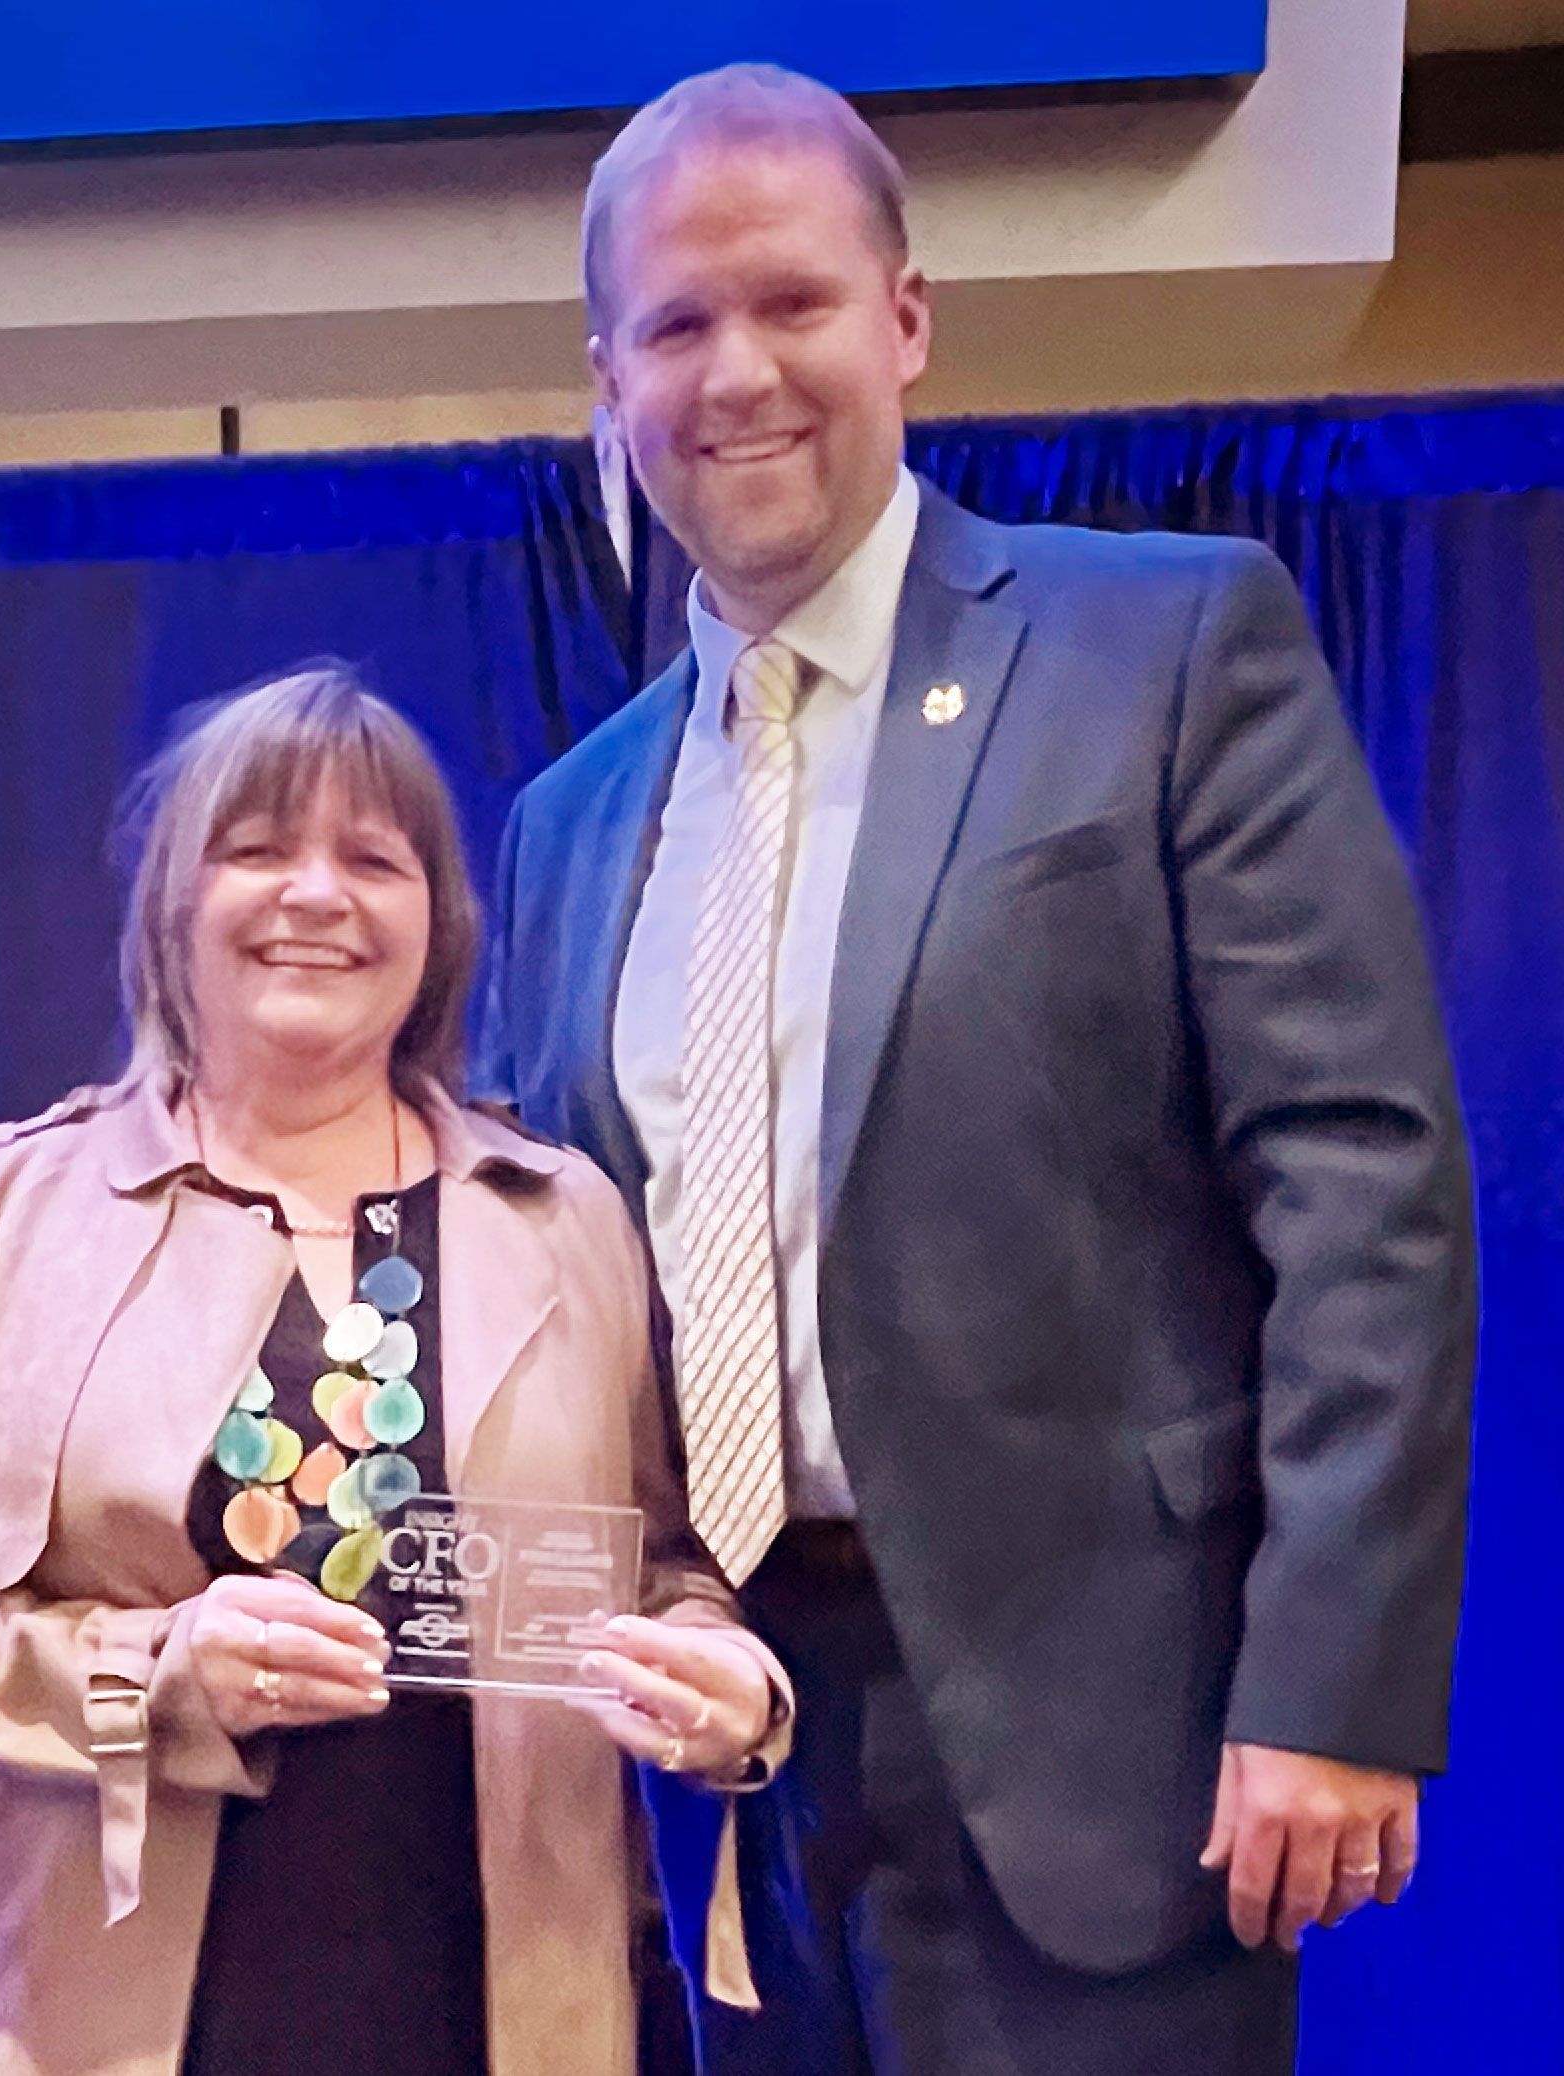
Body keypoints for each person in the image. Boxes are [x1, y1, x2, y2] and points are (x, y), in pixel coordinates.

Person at [475, 63, 1476, 2076]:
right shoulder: (569, 823)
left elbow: (1362, 1182)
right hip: (735, 1751)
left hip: (1120, 1751)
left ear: (906, 319)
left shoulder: (1170, 651)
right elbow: (546, 1290)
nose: (737, 370)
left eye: (793, 302)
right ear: (607, 378)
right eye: (675, 324)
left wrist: (1339, 1688)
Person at [0, 665, 790, 2076]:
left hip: (502, 2000)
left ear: (434, 924)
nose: (316, 894)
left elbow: (663, 1568)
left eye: (372, 860)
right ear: (172, 906)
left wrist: (726, 1683)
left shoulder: (567, 1216)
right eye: (259, 849)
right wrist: (151, 1673)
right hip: (117, 2009)